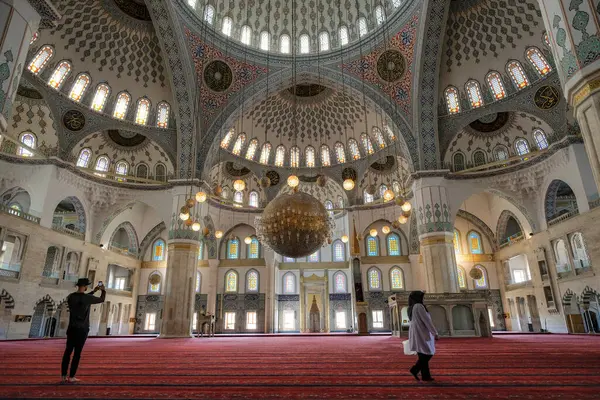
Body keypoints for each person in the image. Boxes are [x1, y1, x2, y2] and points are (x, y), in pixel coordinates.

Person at [61, 278, 106, 383]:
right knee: (77, 353)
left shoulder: (71, 297)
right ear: (85, 287)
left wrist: (93, 291)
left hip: (71, 328)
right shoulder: (87, 298)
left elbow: (81, 298)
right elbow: (101, 299)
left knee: (67, 352)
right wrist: (103, 290)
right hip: (82, 329)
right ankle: (71, 377)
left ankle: (63, 376)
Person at [407, 290, 438, 382]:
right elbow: (427, 320)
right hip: (421, 333)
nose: (423, 299)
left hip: (416, 332)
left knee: (422, 354)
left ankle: (425, 376)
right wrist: (434, 332)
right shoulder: (418, 306)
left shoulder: (411, 307)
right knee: (428, 353)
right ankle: (415, 369)